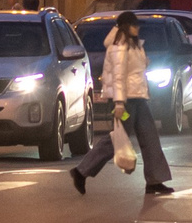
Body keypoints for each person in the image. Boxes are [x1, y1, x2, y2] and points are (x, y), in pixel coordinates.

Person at [68, 12, 173, 197]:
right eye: (134, 24)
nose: (137, 27)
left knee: (150, 138)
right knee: (117, 139)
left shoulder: (134, 45)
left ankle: (155, 181)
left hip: (138, 99)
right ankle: (81, 171)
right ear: (125, 26)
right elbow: (118, 77)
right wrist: (118, 103)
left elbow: (135, 72)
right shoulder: (119, 47)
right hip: (124, 102)